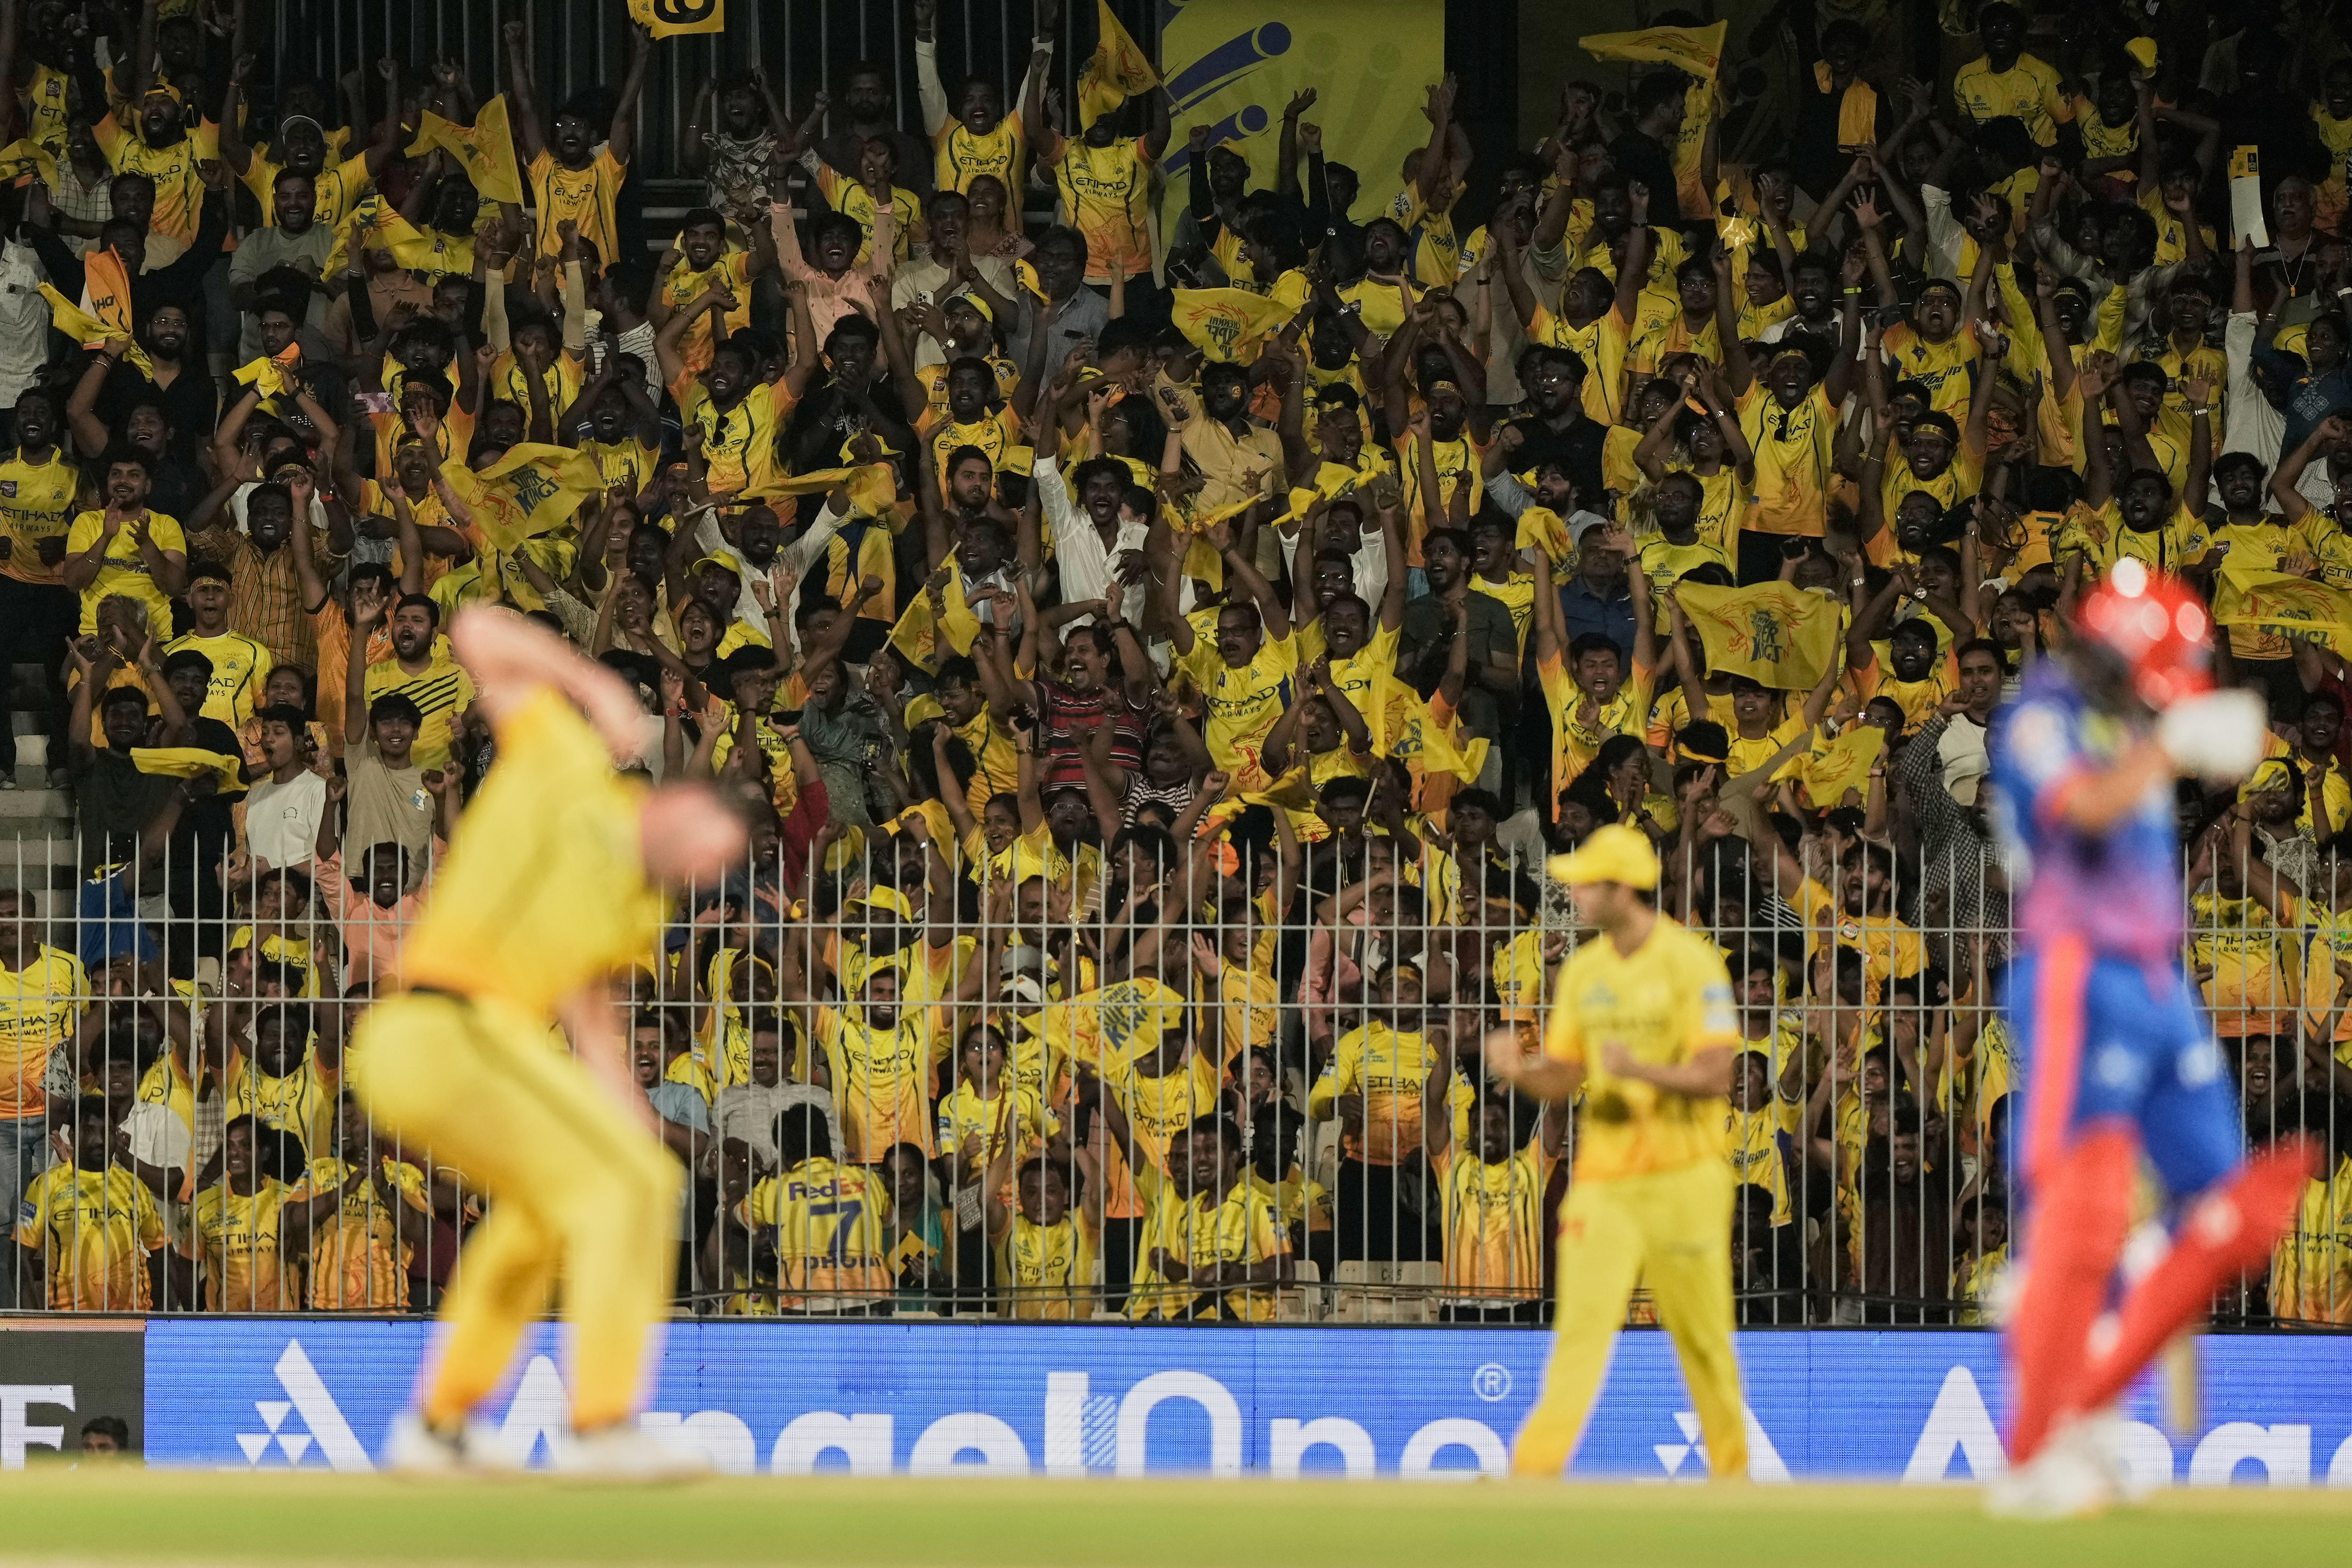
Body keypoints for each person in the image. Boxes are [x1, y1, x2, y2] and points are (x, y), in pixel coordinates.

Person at [354, 606, 746, 1477]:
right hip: (437, 1027)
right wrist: (602, 688)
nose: (690, 872)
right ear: (671, 799)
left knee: (573, 1199)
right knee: (619, 1190)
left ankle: (440, 1422)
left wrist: (630, 1112)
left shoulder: (637, 904)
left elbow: (592, 1013)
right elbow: (476, 630)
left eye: (702, 873)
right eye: (696, 847)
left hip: (496, 1046)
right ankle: (602, 1426)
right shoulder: (568, 767)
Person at [1987, 561, 2315, 1516]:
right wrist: (2172, 742)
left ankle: (2088, 1339)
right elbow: (2081, 810)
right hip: (2078, 973)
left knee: (2232, 1210)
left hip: (2159, 980)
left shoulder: (2127, 713)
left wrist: (2174, 738)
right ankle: (2049, 1434)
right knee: (2078, 1211)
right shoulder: (2038, 714)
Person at [1482, 824, 1747, 1480]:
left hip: (1685, 1178)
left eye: (1584, 882)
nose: (1571, 892)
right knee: (1580, 1330)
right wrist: (1519, 1070)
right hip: (1603, 1181)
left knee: (1704, 1342)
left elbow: (1718, 1075)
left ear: (1622, 888)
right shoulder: (1583, 970)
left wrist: (1641, 1069)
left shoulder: (1693, 962)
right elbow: (1565, 1076)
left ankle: (1734, 1479)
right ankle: (1531, 1474)